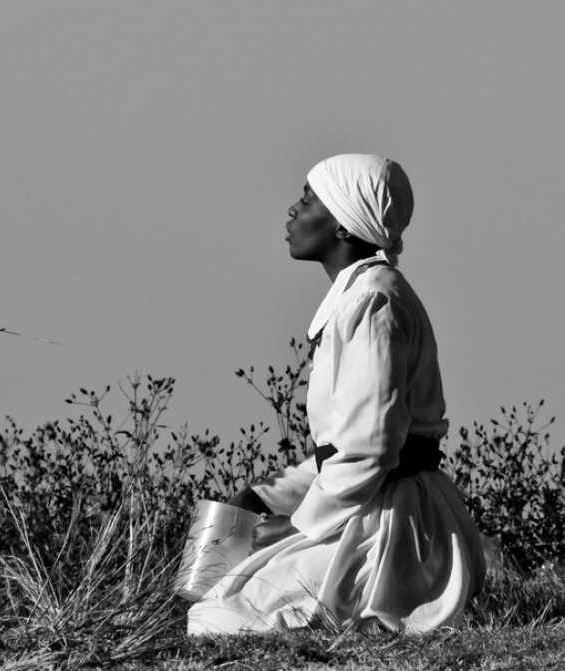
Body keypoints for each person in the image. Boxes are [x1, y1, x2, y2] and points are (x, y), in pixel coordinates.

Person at [188, 154, 485, 634]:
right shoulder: (366, 295)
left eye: (307, 200)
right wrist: (268, 495)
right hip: (381, 506)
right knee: (213, 593)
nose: (292, 212)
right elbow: (347, 450)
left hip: (393, 527)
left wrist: (302, 525)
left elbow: (373, 447)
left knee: (219, 618)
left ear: (344, 226)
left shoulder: (373, 301)